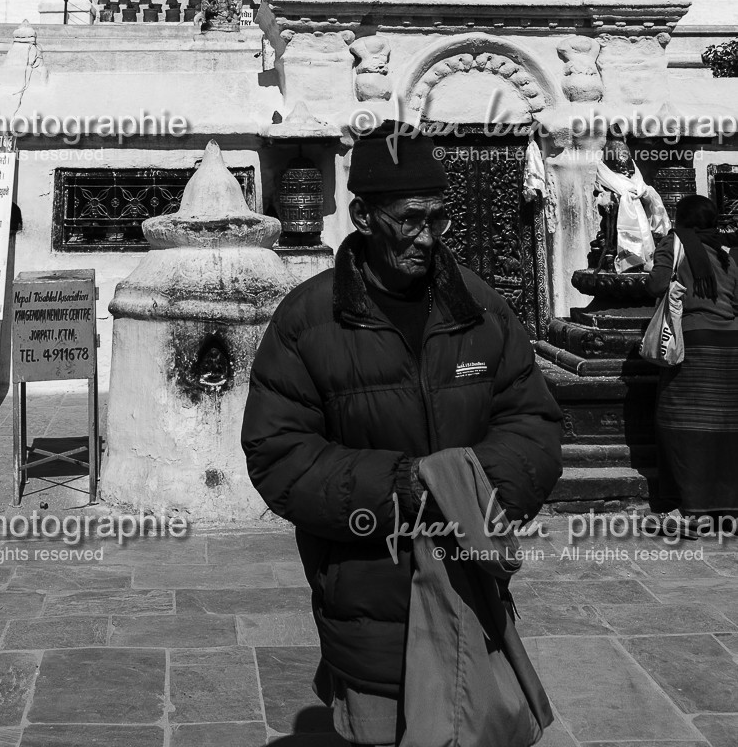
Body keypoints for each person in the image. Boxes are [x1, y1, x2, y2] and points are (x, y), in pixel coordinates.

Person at [241, 134, 562, 746]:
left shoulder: (480, 309)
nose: (428, 237)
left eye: (439, 218)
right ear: (363, 217)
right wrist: (405, 488)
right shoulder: (308, 322)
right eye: (410, 220)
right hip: (368, 595)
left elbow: (534, 425)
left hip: (473, 585)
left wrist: (466, 489)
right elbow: (279, 455)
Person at [648, 193, 738, 518]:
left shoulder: (674, 243)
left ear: (680, 219)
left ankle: (692, 508)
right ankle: (728, 508)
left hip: (694, 344)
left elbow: (656, 284)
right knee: (726, 426)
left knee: (678, 422)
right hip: (730, 346)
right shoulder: (726, 250)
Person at [593, 138, 670, 271]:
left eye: (628, 170)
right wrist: (612, 200)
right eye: (621, 169)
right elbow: (601, 200)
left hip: (641, 233)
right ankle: (616, 253)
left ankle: (641, 256)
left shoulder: (638, 186)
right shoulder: (605, 181)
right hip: (614, 232)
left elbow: (651, 203)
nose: (626, 172)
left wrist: (645, 195)